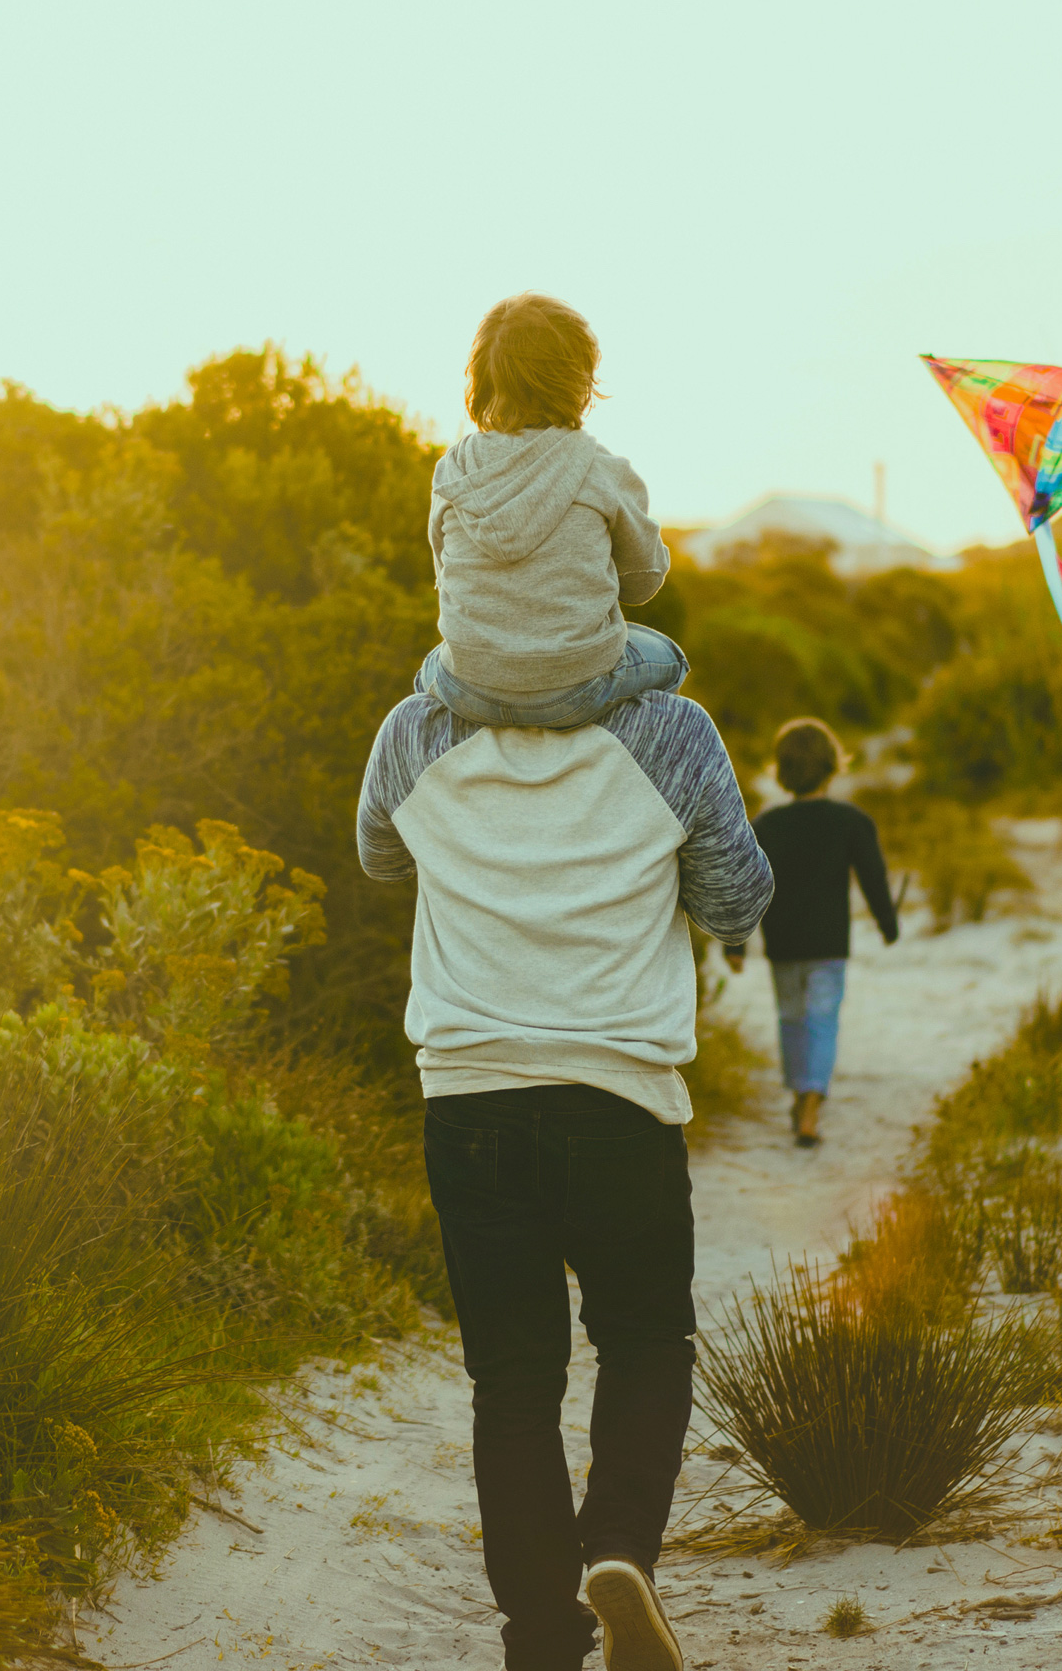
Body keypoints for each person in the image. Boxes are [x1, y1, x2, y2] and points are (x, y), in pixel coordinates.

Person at [359, 650, 773, 1668]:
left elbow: (380, 856)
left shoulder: (415, 731)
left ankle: (541, 1639)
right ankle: (621, 1548)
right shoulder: (671, 733)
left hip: (469, 1103)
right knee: (645, 1338)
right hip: (618, 1104)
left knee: (511, 1381)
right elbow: (736, 903)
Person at [415, 293, 689, 730]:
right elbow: (643, 583)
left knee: (430, 665)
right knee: (671, 658)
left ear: (483, 377)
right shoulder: (603, 469)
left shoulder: (453, 470)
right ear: (577, 380)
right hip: (576, 691)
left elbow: (444, 578)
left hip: (468, 689)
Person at [724, 717, 898, 1147]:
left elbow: (743, 885)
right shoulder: (851, 821)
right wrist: (888, 924)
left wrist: (735, 943)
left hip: (782, 944)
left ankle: (800, 1091)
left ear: (781, 771)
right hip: (828, 944)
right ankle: (812, 1107)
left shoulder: (765, 825)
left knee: (791, 1018)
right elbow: (873, 878)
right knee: (822, 1019)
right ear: (832, 765)